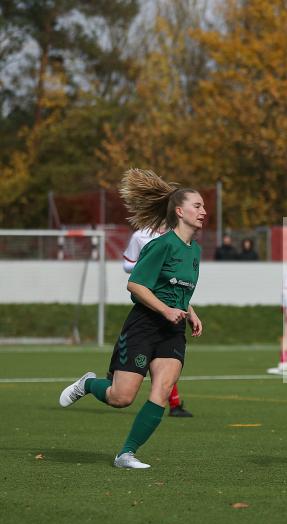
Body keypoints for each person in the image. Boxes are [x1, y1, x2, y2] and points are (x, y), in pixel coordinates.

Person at [59, 168, 204, 469]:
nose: (203, 211)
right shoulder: (161, 245)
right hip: (144, 326)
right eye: (197, 205)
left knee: (162, 390)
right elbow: (135, 285)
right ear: (180, 211)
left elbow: (177, 289)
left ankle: (126, 454)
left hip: (172, 332)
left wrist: (190, 312)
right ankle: (88, 385)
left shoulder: (195, 251)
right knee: (121, 397)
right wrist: (165, 310)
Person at [123, 226, 193, 417]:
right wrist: (149, 263)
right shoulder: (140, 236)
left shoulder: (180, 238)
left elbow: (178, 283)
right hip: (148, 308)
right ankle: (113, 378)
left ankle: (175, 404)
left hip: (171, 309)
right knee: (122, 395)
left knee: (167, 365)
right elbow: (127, 265)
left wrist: (189, 310)